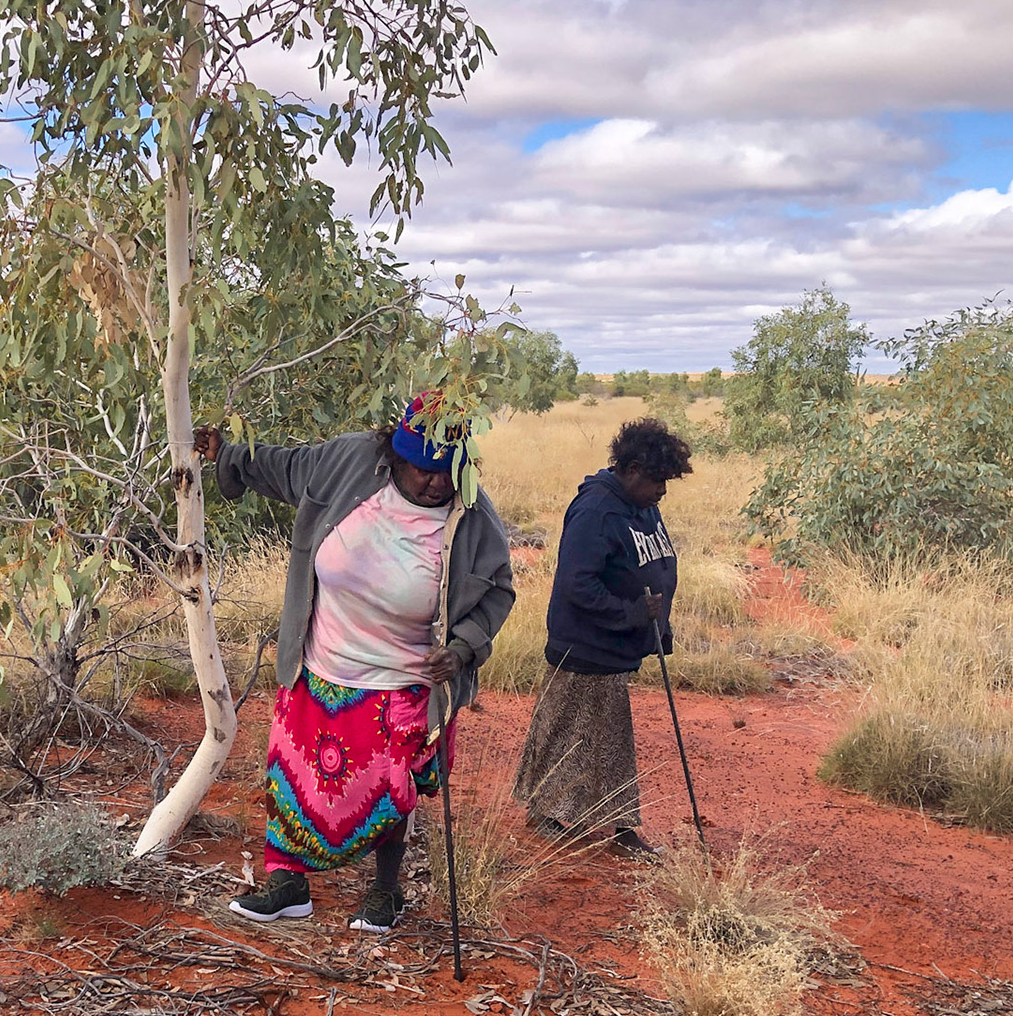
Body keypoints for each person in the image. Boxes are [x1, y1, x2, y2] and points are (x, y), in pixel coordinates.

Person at [199, 395, 515, 931]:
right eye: (423, 469)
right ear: (395, 454)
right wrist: (227, 453)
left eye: (447, 471)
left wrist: (462, 648)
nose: (435, 482)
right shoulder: (349, 462)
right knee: (292, 780)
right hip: (319, 666)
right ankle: (288, 884)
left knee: (391, 792)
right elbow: (286, 467)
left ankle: (386, 890)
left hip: (403, 681)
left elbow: (497, 592)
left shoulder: (473, 517)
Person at [513, 416, 693, 856]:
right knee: (571, 732)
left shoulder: (643, 506)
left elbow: (653, 566)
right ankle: (575, 818)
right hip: (585, 646)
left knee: (598, 737)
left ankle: (601, 821)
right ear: (632, 470)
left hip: (617, 646)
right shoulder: (596, 510)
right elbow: (577, 584)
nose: (662, 490)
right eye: (657, 480)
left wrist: (657, 626)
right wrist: (632, 614)